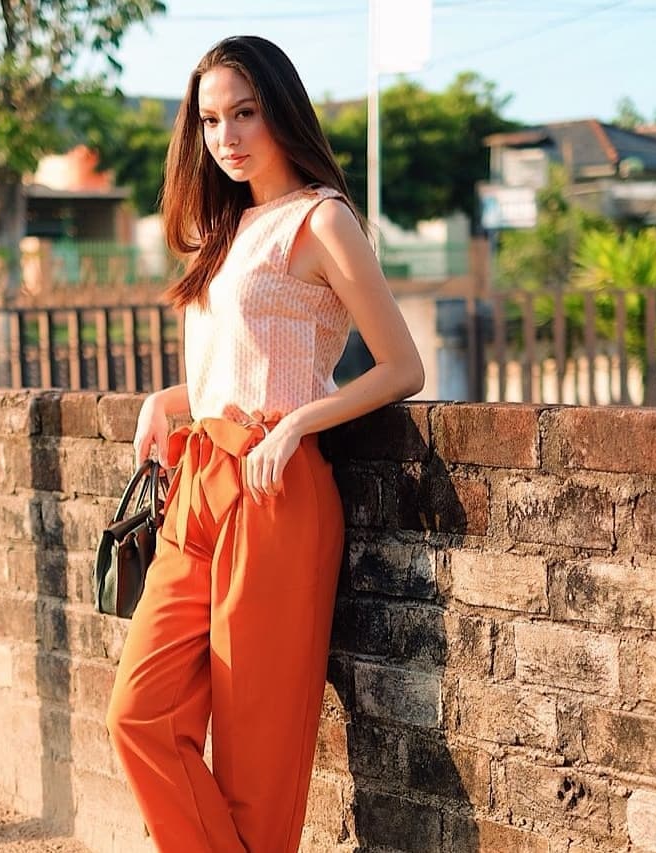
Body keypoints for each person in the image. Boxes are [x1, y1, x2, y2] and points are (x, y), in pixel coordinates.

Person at [106, 34, 424, 853]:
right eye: (211, 120)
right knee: (138, 714)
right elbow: (238, 361)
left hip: (273, 493)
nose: (228, 136)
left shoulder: (321, 220)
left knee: (256, 763)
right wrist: (166, 400)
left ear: (280, 109)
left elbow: (400, 366)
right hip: (197, 479)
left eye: (244, 112)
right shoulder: (225, 224)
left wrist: (298, 422)